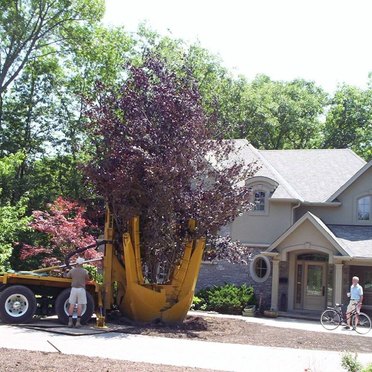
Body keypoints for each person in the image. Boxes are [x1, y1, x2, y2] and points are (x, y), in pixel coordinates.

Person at [66, 257, 90, 328]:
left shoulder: (72, 270)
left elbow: (67, 276)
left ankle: (70, 322)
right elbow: (88, 278)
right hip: (81, 289)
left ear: (76, 263)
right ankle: (77, 323)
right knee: (80, 305)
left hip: (74, 289)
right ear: (82, 264)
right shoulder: (85, 271)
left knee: (72, 304)